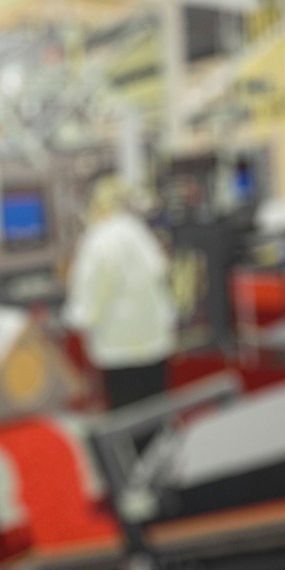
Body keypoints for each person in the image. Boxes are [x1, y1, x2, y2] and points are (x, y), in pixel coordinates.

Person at [63, 175, 177, 410]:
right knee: (154, 408)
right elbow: (160, 270)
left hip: (119, 346)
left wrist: (75, 318)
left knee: (127, 414)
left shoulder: (98, 239)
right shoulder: (138, 232)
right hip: (153, 337)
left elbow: (89, 296)